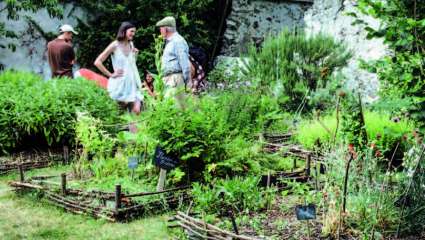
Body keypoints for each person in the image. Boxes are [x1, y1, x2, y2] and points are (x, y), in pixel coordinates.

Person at [94, 21, 143, 114]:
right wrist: (111, 74)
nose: (133, 34)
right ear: (124, 31)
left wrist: (135, 55)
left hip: (132, 83)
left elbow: (130, 65)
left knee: (136, 111)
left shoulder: (131, 44)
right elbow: (97, 62)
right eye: (131, 31)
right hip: (119, 84)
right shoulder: (114, 45)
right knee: (118, 113)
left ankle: (136, 128)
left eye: (134, 32)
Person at [156, 16, 191, 105]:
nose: (160, 31)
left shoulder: (178, 41)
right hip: (169, 79)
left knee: (174, 109)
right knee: (168, 109)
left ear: (165, 29)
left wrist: (187, 82)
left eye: (161, 29)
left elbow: (185, 64)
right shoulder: (170, 42)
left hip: (175, 79)